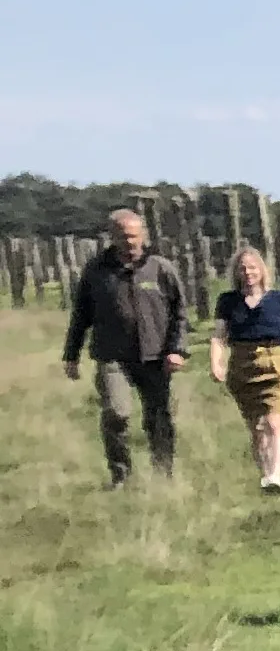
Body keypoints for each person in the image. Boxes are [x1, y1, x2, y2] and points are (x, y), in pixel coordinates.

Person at [60, 207, 189, 486]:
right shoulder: (96, 271)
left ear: (143, 235)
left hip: (155, 356)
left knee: (158, 416)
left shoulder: (160, 268)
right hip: (112, 357)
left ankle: (163, 474)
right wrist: (71, 355)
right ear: (112, 237)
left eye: (133, 235)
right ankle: (121, 475)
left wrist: (177, 349)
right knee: (116, 413)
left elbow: (179, 312)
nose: (129, 242)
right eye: (123, 236)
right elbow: (81, 315)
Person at [208, 244, 280, 493]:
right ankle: (266, 477)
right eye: (242, 268)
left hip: (276, 366)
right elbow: (219, 336)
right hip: (242, 368)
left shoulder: (279, 299)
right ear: (236, 273)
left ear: (262, 269)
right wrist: (216, 363)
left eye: (252, 267)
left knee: (274, 424)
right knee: (257, 429)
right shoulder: (228, 301)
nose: (248, 273)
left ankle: (275, 476)